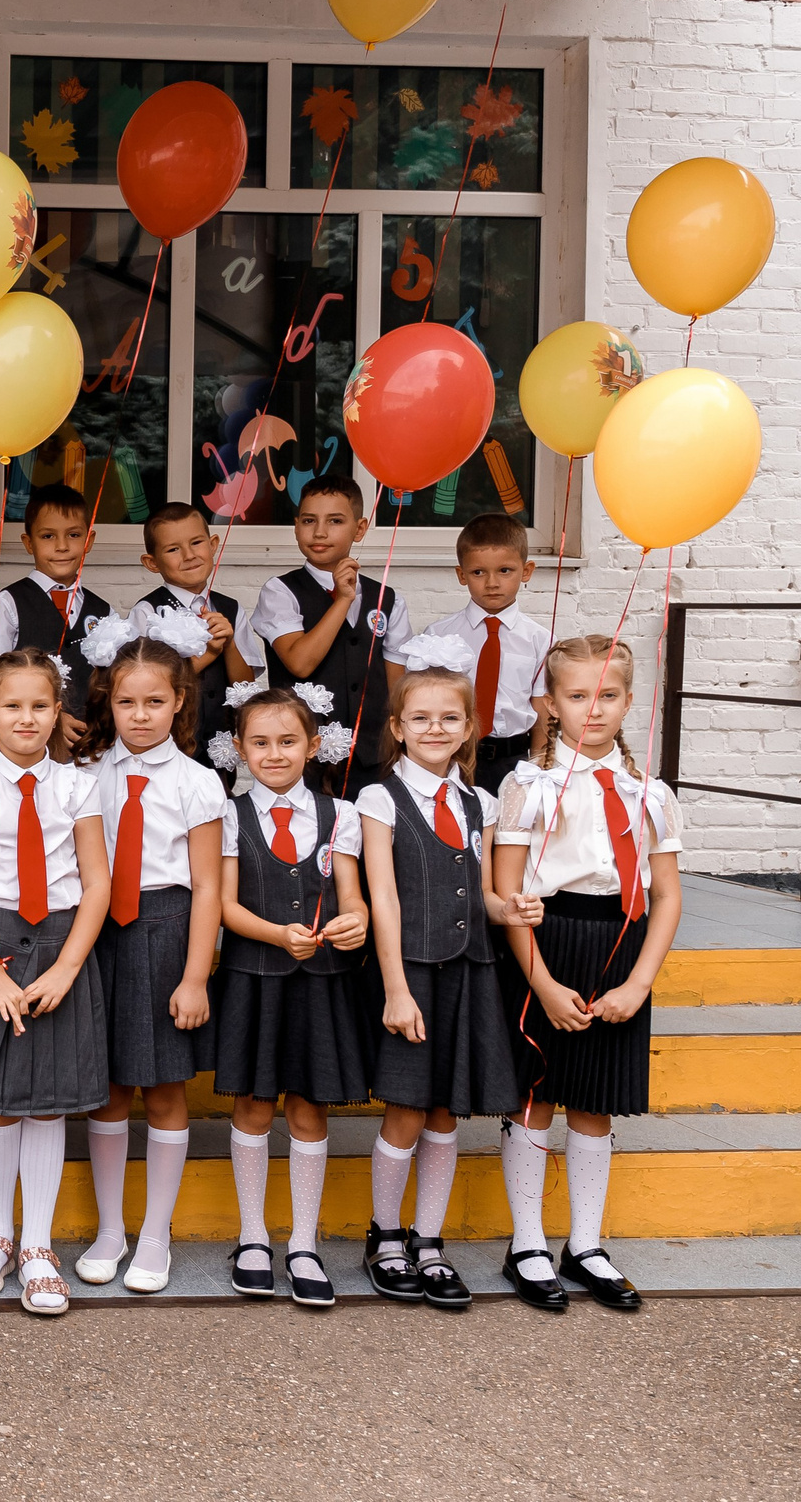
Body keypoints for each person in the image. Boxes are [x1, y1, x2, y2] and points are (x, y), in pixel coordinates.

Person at [492, 635, 683, 1314]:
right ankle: (526, 1243)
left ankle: (586, 1242)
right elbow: (508, 893)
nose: (592, 709)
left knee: (594, 1100)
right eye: (577, 696)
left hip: (620, 946)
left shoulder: (650, 793)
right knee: (536, 1092)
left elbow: (667, 895)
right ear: (550, 703)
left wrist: (639, 983)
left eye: (607, 695)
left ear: (629, 702)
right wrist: (539, 980)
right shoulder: (528, 786)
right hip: (545, 940)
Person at [0, 646, 109, 1317]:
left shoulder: (77, 785)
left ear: (58, 710)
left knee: (49, 1097)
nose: (26, 717)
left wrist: (66, 966)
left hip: (62, 942)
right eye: (13, 705)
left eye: (39, 705)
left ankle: (38, 1244)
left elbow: (97, 883)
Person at [356, 633, 527, 1312]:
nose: (435, 728)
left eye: (449, 718)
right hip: (412, 972)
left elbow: (480, 891)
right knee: (405, 1108)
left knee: (445, 1112)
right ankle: (386, 1234)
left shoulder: (477, 802)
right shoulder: (379, 798)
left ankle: (430, 1239)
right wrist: (395, 987)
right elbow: (385, 896)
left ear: (468, 728)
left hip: (470, 970)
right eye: (421, 718)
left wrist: (510, 907)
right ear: (397, 727)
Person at [73, 611, 223, 1296]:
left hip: (166, 928)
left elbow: (209, 889)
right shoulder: (84, 774)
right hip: (98, 932)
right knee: (106, 1090)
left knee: (163, 1088)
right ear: (107, 699)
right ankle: (110, 1227)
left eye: (155, 700)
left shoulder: (198, 782)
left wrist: (196, 975)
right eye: (127, 700)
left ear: (180, 701)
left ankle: (155, 1234)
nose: (140, 714)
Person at [206, 684, 370, 1307]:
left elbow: (350, 895)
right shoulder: (229, 814)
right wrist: (276, 934)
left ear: (313, 745)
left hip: (321, 984)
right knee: (252, 1106)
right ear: (240, 750)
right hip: (255, 977)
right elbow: (224, 904)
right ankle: (252, 1238)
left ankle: (303, 1243)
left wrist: (354, 921)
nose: (275, 754)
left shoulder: (340, 814)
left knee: (307, 1109)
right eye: (260, 743)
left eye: (287, 741)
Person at [248, 477, 412, 799]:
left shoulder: (388, 600)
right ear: (296, 527)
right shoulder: (280, 591)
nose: (320, 532)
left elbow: (397, 689)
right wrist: (343, 600)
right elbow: (300, 662)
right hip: (301, 761)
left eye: (335, 521)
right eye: (309, 521)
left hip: (373, 759)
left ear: (360, 529)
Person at [0, 482, 110, 745]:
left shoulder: (104, 612)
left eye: (74, 535)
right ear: (28, 543)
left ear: (89, 541)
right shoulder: (6, 605)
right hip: (26, 748)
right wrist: (50, 718)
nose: (62, 546)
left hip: (90, 749)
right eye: (48, 536)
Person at [426, 513, 551, 794]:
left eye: (505, 571)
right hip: (452, 757)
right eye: (478, 572)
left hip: (514, 759)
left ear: (527, 571)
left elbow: (541, 707)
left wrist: (539, 765)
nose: (492, 583)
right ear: (461, 574)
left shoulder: (540, 640)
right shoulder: (439, 635)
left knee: (509, 836)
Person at [138, 502, 250, 785]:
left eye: (197, 542)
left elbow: (245, 685)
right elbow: (148, 683)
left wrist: (230, 644)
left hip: (218, 749)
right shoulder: (147, 612)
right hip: (167, 748)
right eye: (173, 549)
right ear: (152, 562)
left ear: (213, 545)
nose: (189, 555)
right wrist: (210, 652)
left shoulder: (231, 609)